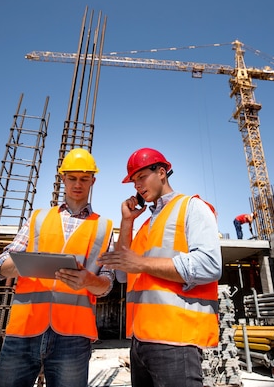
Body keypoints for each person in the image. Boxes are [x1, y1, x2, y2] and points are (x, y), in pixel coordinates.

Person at [98, 147, 222, 387]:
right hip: (140, 342)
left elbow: (210, 264)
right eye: (133, 181)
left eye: (141, 177)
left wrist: (141, 262)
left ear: (162, 172)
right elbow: (124, 274)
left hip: (177, 341)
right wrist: (126, 222)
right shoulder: (145, 225)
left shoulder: (192, 207)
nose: (137, 186)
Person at [0, 148, 114, 387]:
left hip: (73, 335)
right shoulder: (37, 218)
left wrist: (89, 280)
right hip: (25, 328)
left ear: (93, 181)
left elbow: (107, 284)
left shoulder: (104, 227)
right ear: (63, 179)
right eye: (72, 178)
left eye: (84, 179)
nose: (77, 184)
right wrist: (24, 264)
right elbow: (2, 266)